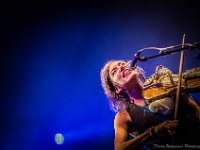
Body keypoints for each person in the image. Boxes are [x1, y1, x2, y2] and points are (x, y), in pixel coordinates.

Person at [100, 60, 200, 150]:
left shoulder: (165, 84)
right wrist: (152, 132)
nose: (121, 67)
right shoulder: (124, 116)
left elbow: (196, 110)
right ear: (117, 88)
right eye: (114, 71)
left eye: (122, 64)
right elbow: (120, 148)